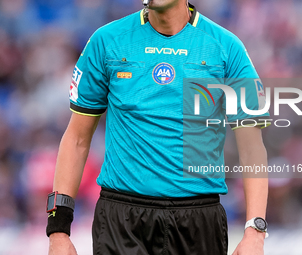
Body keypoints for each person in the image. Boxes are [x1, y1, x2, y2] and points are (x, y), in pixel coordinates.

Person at [46, 0, 270, 254]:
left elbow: (253, 148)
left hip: (198, 220)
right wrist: (58, 230)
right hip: (122, 220)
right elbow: (77, 138)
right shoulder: (107, 41)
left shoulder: (227, 48)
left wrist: (255, 231)